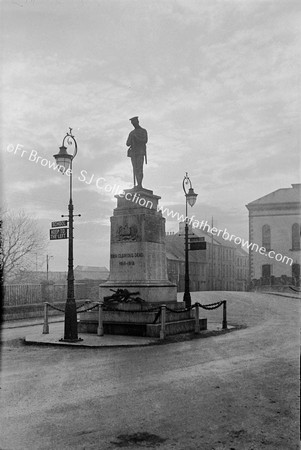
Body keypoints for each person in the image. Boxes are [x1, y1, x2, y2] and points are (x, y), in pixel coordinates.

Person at [126, 116, 148, 188]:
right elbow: (127, 143)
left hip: (140, 152)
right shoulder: (132, 133)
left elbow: (145, 140)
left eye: (134, 122)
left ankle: (139, 184)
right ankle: (137, 184)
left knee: (139, 168)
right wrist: (132, 138)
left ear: (137, 122)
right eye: (132, 123)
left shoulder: (143, 131)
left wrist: (136, 138)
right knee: (135, 169)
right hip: (133, 153)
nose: (133, 124)